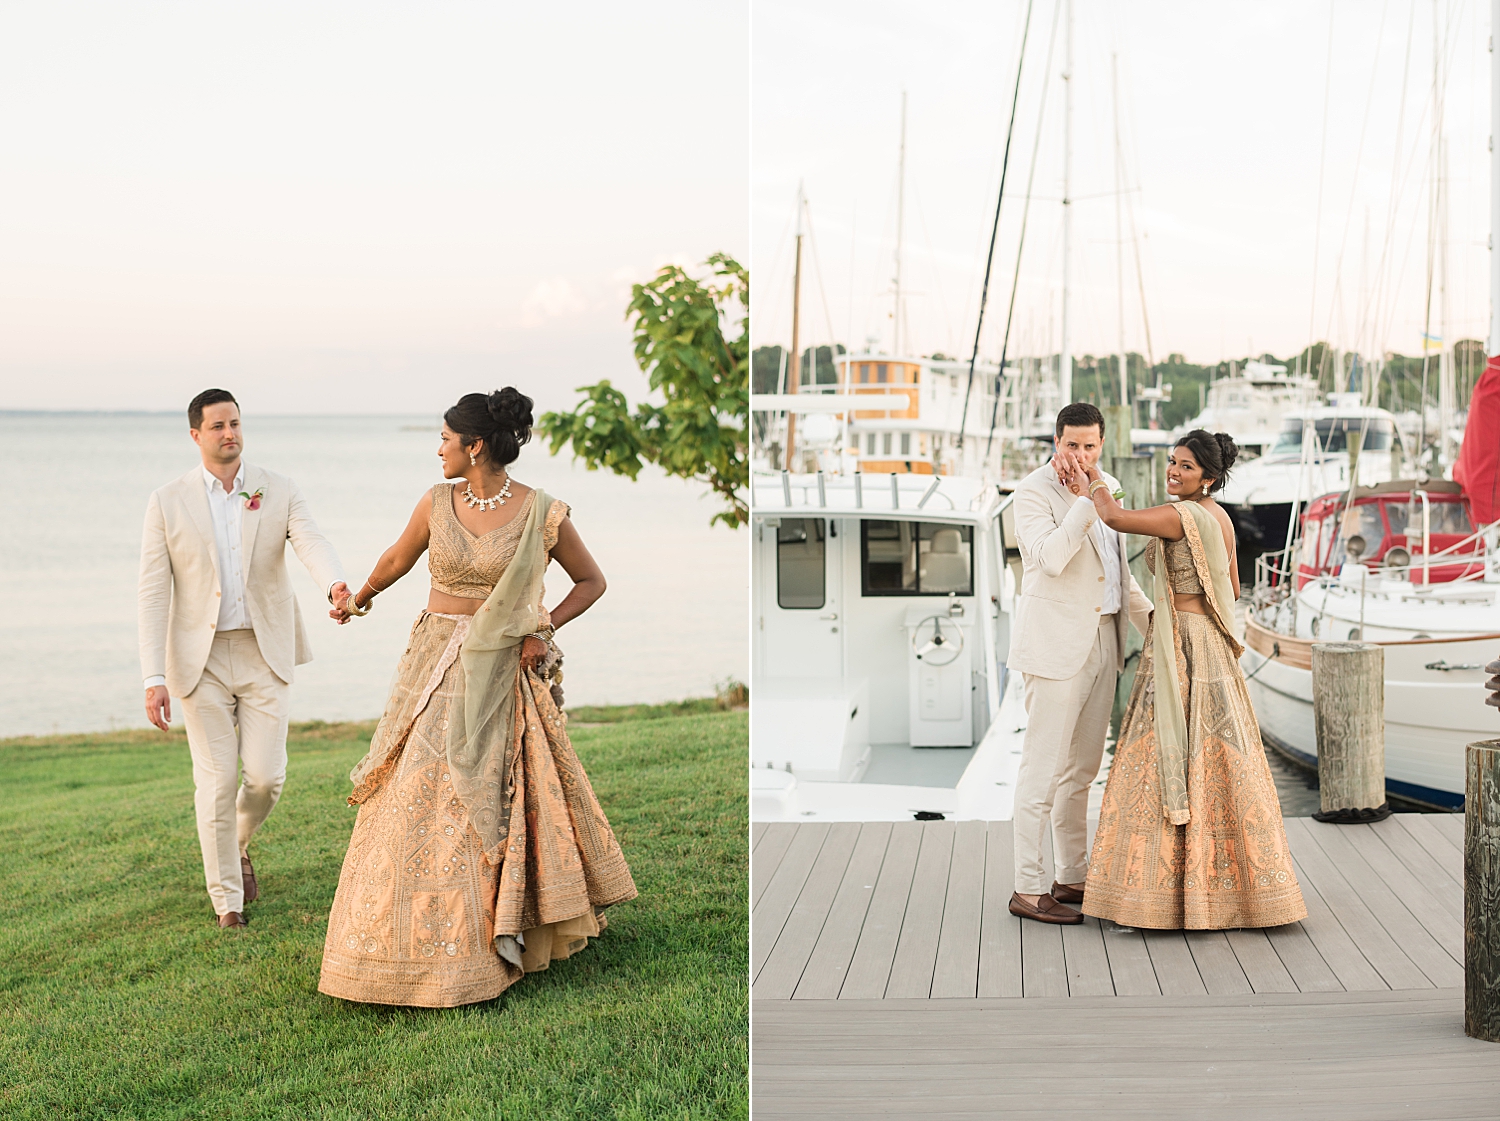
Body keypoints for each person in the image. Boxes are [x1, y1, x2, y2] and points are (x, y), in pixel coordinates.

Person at [317, 387, 636, 1008]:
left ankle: (489, 940)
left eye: (445, 438)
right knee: (412, 791)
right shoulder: (437, 501)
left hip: (498, 670)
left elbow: (591, 582)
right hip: (433, 663)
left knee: (487, 796)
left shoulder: (541, 511)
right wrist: (359, 597)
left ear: (476, 445)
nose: (438, 449)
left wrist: (542, 630)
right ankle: (387, 946)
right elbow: (398, 557)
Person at [1057, 428, 1308, 930]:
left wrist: (1092, 476)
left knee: (1160, 756)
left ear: (1209, 478)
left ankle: (1156, 894)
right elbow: (1232, 587)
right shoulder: (1221, 518)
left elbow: (1114, 517)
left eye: (1186, 466)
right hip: (1210, 643)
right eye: (1172, 461)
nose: (1174, 471)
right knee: (1217, 761)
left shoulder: (1182, 514)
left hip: (1180, 645)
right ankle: (1239, 889)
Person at [139, 389, 351, 929]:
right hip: (198, 661)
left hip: (264, 650)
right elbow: (153, 591)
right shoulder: (167, 501)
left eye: (235, 423)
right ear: (196, 435)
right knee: (214, 781)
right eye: (217, 426)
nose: (229, 433)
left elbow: (310, 541)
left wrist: (334, 584)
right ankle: (227, 904)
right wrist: (153, 675)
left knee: (264, 778)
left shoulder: (277, 488)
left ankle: (236, 844)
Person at [1005, 403, 1154, 925]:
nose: (1082, 456)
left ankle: (1072, 876)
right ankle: (1027, 887)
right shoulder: (1030, 492)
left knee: (1082, 772)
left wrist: (1155, 626)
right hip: (1053, 646)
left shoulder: (1105, 483)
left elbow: (1117, 574)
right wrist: (1085, 502)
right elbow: (1049, 558)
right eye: (1073, 445)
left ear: (1101, 444)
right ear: (1056, 441)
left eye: (1091, 446)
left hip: (1103, 643)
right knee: (1041, 772)